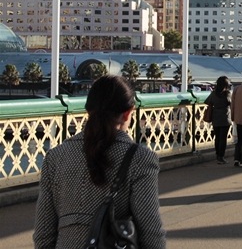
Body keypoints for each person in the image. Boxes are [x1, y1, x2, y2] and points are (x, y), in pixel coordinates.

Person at [33, 75, 166, 248]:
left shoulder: (56, 156)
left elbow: (43, 235)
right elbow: (151, 232)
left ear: (88, 110)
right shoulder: (140, 158)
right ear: (128, 113)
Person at [205, 76, 232, 164]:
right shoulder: (227, 94)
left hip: (215, 118)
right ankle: (221, 156)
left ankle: (217, 155)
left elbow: (207, 101)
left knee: (217, 137)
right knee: (223, 138)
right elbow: (231, 103)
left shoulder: (214, 93)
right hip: (225, 118)